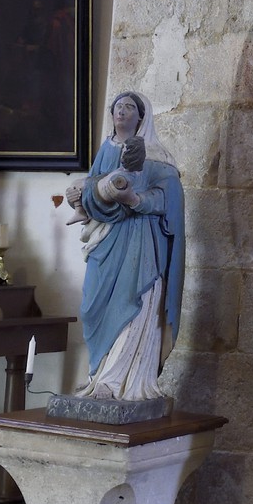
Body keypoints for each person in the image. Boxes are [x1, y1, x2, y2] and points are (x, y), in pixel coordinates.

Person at [67, 91, 185, 402]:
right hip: (104, 240)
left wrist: (135, 199)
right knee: (92, 305)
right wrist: (78, 194)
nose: (122, 111)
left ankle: (121, 381)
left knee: (131, 303)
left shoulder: (158, 157)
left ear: (141, 117)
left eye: (130, 107)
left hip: (138, 240)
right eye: (118, 106)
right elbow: (92, 184)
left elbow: (168, 198)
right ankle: (98, 375)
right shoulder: (105, 149)